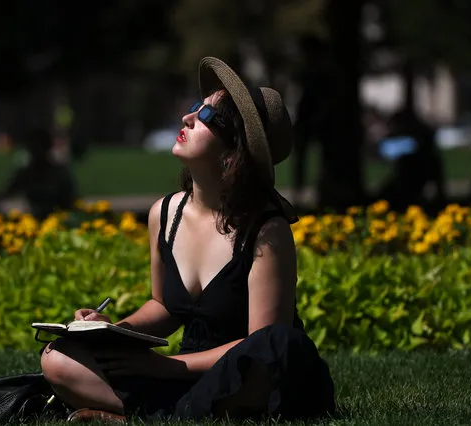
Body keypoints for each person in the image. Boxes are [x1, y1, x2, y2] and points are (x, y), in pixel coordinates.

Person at [40, 57, 336, 423]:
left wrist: (166, 367)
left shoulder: (267, 229)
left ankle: (140, 412)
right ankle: (169, 413)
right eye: (195, 108)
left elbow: (259, 343)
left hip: (243, 372)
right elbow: (163, 307)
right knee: (57, 356)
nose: (188, 118)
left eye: (207, 117)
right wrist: (112, 330)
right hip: (184, 373)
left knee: (278, 346)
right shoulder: (164, 214)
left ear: (234, 151)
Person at [0, 128, 77, 219]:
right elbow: (8, 190)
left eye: (38, 145)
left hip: (53, 218)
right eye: (33, 145)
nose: (36, 149)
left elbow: (68, 201)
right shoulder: (27, 173)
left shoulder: (58, 173)